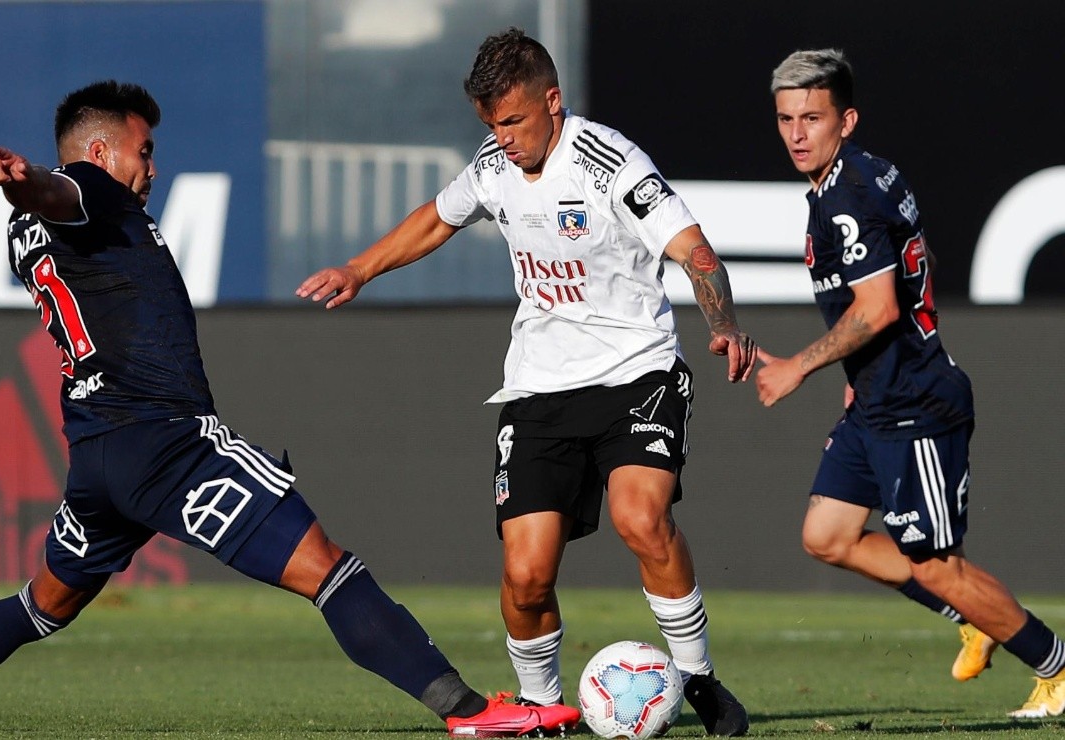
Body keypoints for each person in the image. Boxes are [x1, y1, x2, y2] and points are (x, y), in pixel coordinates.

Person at [0, 80, 581, 739]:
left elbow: (52, 215)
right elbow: (65, 194)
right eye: (143, 152)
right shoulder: (93, 189)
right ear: (100, 152)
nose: (152, 168)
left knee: (39, 605)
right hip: (167, 444)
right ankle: (469, 712)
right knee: (329, 571)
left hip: (97, 456)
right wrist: (30, 185)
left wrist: (28, 196)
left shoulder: (34, 237)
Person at [299, 29, 753, 737]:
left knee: (642, 520)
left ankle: (697, 677)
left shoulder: (608, 162)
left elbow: (693, 249)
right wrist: (359, 269)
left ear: (553, 100)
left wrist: (720, 321)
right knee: (526, 573)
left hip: (637, 370)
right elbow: (434, 220)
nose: (503, 139)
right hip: (540, 388)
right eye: (491, 125)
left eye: (513, 121)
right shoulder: (492, 166)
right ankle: (541, 707)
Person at [756, 48, 1065, 719]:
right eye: (786, 118)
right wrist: (857, 372)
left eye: (813, 116)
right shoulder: (868, 173)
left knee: (936, 564)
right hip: (875, 394)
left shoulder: (846, 195)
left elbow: (879, 308)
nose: (797, 133)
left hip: (915, 404)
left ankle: (1056, 667)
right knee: (829, 534)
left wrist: (796, 367)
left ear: (848, 118)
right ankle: (974, 617)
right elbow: (905, 284)